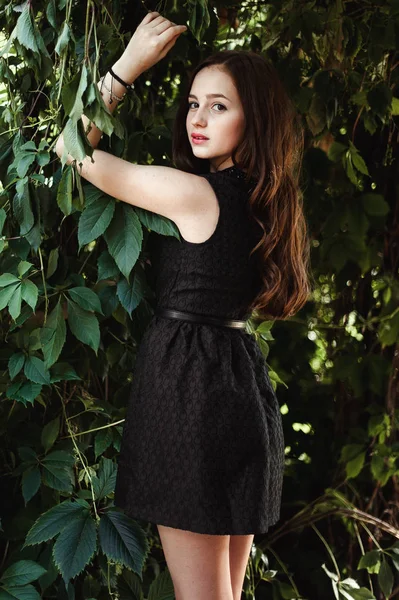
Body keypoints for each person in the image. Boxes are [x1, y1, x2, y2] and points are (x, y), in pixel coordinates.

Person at [55, 11, 311, 600]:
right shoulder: (269, 204)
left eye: (219, 106)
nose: (198, 118)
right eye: (194, 103)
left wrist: (127, 67)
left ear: (255, 117)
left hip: (191, 398)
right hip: (243, 391)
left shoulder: (194, 194)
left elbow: (73, 148)